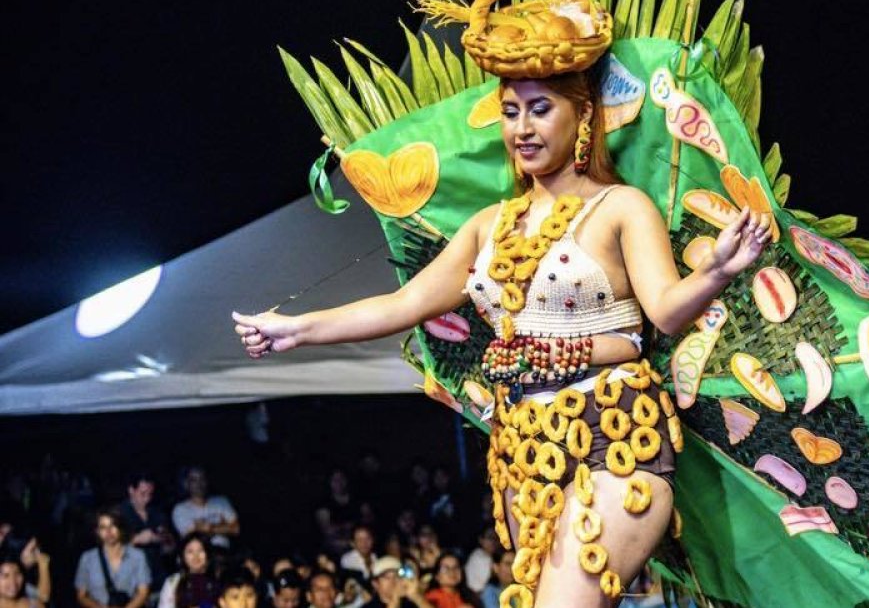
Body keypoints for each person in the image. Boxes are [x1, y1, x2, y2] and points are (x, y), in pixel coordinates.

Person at [233, 42, 769, 608]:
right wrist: (296, 329)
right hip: (521, 446)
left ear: (583, 115)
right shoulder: (490, 225)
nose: (523, 128)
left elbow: (664, 308)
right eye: (512, 112)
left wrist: (715, 271)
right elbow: (404, 304)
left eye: (541, 109)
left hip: (613, 435)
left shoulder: (621, 207)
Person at [75, 507, 152, 608]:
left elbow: (143, 592)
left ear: (120, 528)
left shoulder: (137, 556)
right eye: (103, 527)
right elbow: (81, 596)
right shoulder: (87, 559)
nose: (108, 531)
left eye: (113, 525)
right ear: (97, 532)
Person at [121, 473, 173, 591]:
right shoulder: (119, 514)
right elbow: (110, 547)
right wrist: (136, 539)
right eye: (142, 494)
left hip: (157, 575)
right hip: (130, 577)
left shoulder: (156, 512)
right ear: (131, 490)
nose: (147, 499)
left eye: (150, 494)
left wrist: (163, 539)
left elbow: (170, 545)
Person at [172, 468, 239, 551]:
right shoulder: (180, 509)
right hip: (201, 557)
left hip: (226, 552)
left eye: (202, 479)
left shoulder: (221, 501)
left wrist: (210, 528)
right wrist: (223, 526)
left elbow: (236, 529)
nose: (199, 484)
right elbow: (191, 537)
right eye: (194, 480)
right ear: (187, 484)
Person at [315, 469, 373, 557]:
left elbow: (369, 519)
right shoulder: (324, 504)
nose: (339, 483)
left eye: (341, 479)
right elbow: (327, 530)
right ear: (330, 483)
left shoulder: (358, 499)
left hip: (360, 542)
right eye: (335, 480)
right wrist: (350, 526)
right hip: (337, 545)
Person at [158, 533, 219, 608]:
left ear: (208, 554)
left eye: (200, 550)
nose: (196, 556)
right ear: (183, 557)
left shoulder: (218, 578)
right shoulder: (173, 582)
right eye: (190, 551)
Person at [358, 557, 431, 608]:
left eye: (397, 576)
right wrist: (395, 599)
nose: (393, 581)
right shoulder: (368, 607)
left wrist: (417, 597)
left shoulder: (409, 603)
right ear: (375, 584)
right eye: (387, 577)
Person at [461, 527, 497, 595]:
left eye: (496, 538)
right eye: (490, 537)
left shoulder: (491, 557)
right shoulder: (478, 556)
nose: (493, 541)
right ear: (481, 540)